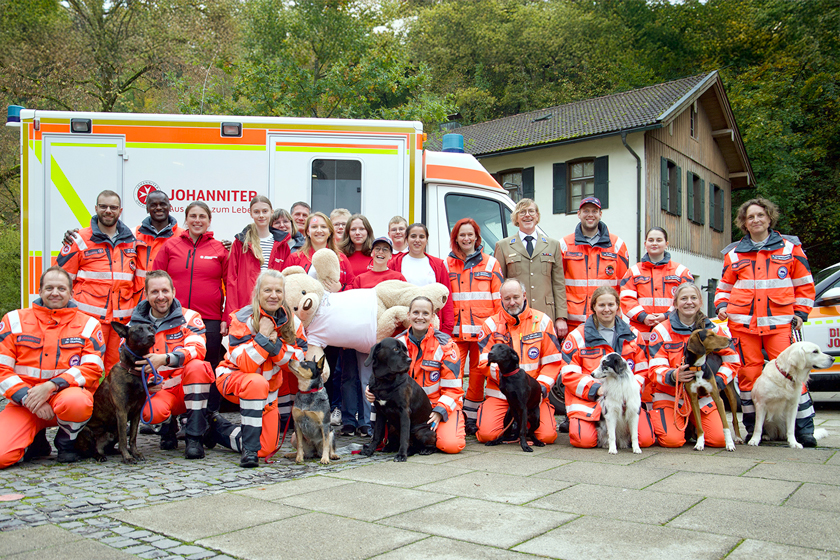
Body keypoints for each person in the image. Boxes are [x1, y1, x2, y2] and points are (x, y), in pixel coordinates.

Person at [714, 197, 817, 445]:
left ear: (769, 218)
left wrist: (801, 313)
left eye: (760, 215)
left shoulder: (789, 248)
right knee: (749, 376)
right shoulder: (734, 252)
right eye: (750, 217)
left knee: (793, 374)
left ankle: (804, 431)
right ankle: (754, 429)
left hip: (780, 324)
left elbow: (804, 285)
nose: (756, 220)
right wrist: (721, 305)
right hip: (742, 324)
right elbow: (724, 286)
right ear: (744, 223)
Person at [0, 267, 104, 467]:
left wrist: (51, 386)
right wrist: (31, 400)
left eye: (61, 288)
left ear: (71, 293)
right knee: (1, 456)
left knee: (79, 402)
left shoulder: (89, 324)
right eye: (49, 288)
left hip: (65, 398)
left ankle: (66, 442)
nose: (55, 292)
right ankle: (36, 443)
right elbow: (2, 370)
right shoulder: (13, 320)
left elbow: (92, 368)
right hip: (25, 402)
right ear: (39, 291)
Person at [208, 270, 307, 467]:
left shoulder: (293, 321)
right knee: (256, 381)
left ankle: (217, 430)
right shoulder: (241, 318)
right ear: (257, 292)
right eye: (268, 290)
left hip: (268, 392)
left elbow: (297, 361)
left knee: (267, 448)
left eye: (278, 291)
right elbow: (246, 364)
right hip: (234, 379)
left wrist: (274, 345)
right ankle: (249, 452)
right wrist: (262, 336)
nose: (273, 295)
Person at [560, 285, 656, 449]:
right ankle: (577, 423)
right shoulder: (577, 336)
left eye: (611, 305)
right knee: (584, 440)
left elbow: (642, 370)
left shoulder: (633, 334)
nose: (607, 309)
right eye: (601, 305)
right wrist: (596, 389)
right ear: (593, 308)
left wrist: (629, 392)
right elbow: (568, 374)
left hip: (625, 401)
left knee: (645, 440)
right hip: (591, 402)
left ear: (618, 307)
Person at [366, 296, 466, 454]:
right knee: (389, 443)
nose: (420, 317)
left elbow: (454, 389)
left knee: (451, 445)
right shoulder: (397, 344)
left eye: (425, 313)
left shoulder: (446, 346)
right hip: (405, 405)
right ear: (408, 315)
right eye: (416, 312)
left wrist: (440, 411)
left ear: (433, 316)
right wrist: (371, 390)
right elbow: (380, 372)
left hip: (436, 406)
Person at [131, 270, 213, 459]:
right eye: (154, 292)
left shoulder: (190, 317)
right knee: (151, 414)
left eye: (165, 291)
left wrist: (165, 359)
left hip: (186, 388)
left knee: (198, 366)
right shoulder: (134, 325)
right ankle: (167, 427)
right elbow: (128, 364)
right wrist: (147, 387)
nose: (161, 297)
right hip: (158, 389)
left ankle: (194, 437)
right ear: (146, 294)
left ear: (173, 292)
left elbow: (197, 349)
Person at [648, 282, 741, 448]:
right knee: (672, 441)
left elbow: (733, 360)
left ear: (700, 302)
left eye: (693, 298)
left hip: (702, 397)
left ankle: (693, 424)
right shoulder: (661, 330)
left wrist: (717, 382)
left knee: (719, 440)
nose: (689, 302)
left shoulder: (713, 329)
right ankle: (687, 426)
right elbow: (654, 369)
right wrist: (673, 375)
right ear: (675, 304)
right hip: (671, 397)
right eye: (683, 298)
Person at [57, 190, 141, 372]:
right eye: (103, 206)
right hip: (88, 319)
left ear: (120, 210)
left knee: (118, 370)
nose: (108, 211)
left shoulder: (132, 242)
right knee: (86, 367)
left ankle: (110, 402)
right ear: (96, 208)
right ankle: (85, 401)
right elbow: (60, 280)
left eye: (113, 207)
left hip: (121, 323)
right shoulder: (78, 239)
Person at [283, 212, 354, 423]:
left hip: (330, 320)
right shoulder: (296, 257)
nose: (319, 231)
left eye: (323, 227)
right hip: (303, 323)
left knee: (328, 365)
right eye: (314, 227)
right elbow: (285, 286)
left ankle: (329, 409)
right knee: (303, 366)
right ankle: (303, 411)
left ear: (330, 231)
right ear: (307, 231)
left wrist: (340, 288)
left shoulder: (340, 258)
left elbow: (351, 286)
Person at [475, 279, 560, 445]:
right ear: (501, 298)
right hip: (501, 393)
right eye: (507, 298)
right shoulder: (490, 325)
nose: (512, 302)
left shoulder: (542, 321)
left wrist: (539, 390)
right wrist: (509, 382)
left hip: (532, 396)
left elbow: (553, 362)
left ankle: (520, 426)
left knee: (546, 437)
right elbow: (483, 362)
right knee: (487, 435)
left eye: (516, 297)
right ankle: (511, 425)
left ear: (524, 295)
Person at [153, 202, 229, 372]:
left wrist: (225, 318)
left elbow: (230, 285)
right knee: (174, 365)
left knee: (209, 367)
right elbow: (154, 281)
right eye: (193, 216)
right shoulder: (170, 246)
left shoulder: (220, 249)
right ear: (186, 220)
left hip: (210, 319)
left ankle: (210, 400)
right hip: (174, 317)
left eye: (202, 216)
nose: (197, 220)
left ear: (209, 220)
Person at [343, 237, 406, 437]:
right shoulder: (361, 278)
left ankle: (391, 422)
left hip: (391, 340)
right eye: (377, 249)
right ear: (371, 253)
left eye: (385, 250)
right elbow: (351, 304)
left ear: (390, 254)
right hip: (366, 337)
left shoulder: (398, 278)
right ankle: (367, 423)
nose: (380, 252)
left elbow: (403, 304)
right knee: (365, 380)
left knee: (392, 379)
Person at [446, 218, 503, 435]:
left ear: (477, 238)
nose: (467, 238)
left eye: (470, 234)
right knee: (453, 374)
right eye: (462, 235)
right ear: (456, 239)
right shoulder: (447, 264)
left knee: (478, 375)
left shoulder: (490, 263)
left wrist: (497, 329)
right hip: (456, 331)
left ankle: (471, 418)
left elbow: (499, 299)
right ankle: (455, 413)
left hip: (483, 331)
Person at [494, 198, 568, 338]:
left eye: (531, 211)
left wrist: (561, 317)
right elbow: (498, 284)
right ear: (516, 218)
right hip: (515, 314)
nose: (527, 215)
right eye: (522, 212)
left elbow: (559, 284)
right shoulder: (503, 246)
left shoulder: (553, 245)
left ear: (537, 216)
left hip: (546, 313)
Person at [559, 196, 629, 331]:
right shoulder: (565, 245)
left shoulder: (617, 245)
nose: (590, 215)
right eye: (586, 211)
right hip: (574, 321)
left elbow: (624, 285)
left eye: (594, 211)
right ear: (579, 214)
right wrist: (560, 317)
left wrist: (619, 313)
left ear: (600, 214)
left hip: (606, 320)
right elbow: (557, 285)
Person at [619, 227, 693, 346]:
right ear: (645, 244)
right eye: (651, 240)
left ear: (666, 244)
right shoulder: (633, 272)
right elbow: (626, 299)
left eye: (659, 240)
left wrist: (666, 316)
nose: (654, 243)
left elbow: (688, 301)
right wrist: (643, 316)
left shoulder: (681, 272)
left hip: (671, 333)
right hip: (640, 336)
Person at [226, 196, 291, 322]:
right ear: (250, 213)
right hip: (245, 308)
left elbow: (286, 281)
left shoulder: (282, 245)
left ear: (271, 212)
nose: (261, 215)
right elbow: (231, 280)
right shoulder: (240, 243)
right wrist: (230, 316)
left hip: (274, 308)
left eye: (265, 211)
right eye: (256, 212)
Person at [388, 223, 454, 336]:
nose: (417, 240)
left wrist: (447, 330)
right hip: (402, 329)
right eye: (413, 236)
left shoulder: (438, 265)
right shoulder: (395, 263)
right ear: (406, 239)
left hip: (432, 329)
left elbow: (446, 298)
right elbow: (390, 294)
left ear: (426, 240)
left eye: (421, 237)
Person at [134, 190, 185, 277]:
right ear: (147, 208)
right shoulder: (135, 234)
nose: (158, 208)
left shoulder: (183, 235)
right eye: (153, 205)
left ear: (170, 207)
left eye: (162, 204)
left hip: (167, 290)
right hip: (142, 290)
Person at [340, 213, 374, 278]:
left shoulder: (377, 254)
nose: (357, 233)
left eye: (361, 229)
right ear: (348, 233)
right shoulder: (340, 256)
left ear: (368, 231)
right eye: (353, 229)